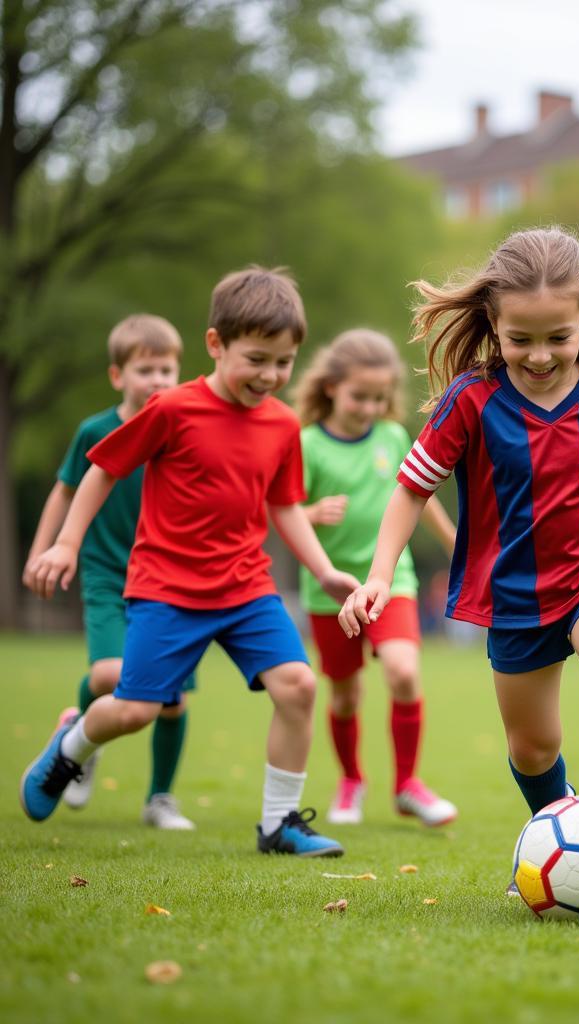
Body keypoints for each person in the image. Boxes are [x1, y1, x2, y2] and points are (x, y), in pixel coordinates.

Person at [339, 227, 579, 888]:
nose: (539, 356)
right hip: (514, 594)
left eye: (557, 338)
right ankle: (555, 838)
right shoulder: (471, 401)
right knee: (533, 747)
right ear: (492, 323)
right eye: (521, 340)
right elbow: (410, 486)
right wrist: (376, 577)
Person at [21, 267, 358, 857]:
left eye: (284, 362)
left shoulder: (282, 423)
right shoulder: (171, 409)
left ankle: (279, 826)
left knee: (299, 685)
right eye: (256, 359)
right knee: (134, 711)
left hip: (246, 588)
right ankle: (70, 748)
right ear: (215, 344)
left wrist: (324, 570)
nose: (271, 375)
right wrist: (67, 543)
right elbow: (102, 470)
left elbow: (286, 505)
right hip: (167, 590)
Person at [23, 315, 197, 830]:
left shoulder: (182, 426)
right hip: (106, 572)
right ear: (117, 375)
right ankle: (82, 739)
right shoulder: (95, 431)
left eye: (168, 369)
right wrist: (47, 549)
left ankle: (160, 798)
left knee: (172, 698)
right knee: (106, 675)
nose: (159, 380)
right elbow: (66, 490)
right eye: (146, 369)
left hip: (171, 582)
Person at [293, 328, 458, 827]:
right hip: (331, 592)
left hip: (393, 581)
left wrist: (455, 543)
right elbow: (281, 511)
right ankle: (351, 782)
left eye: (379, 398)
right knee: (345, 694)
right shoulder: (307, 444)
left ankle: (408, 785)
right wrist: (311, 512)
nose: (369, 407)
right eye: (358, 396)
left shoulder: (391, 437)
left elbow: (417, 495)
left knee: (404, 672)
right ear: (330, 388)